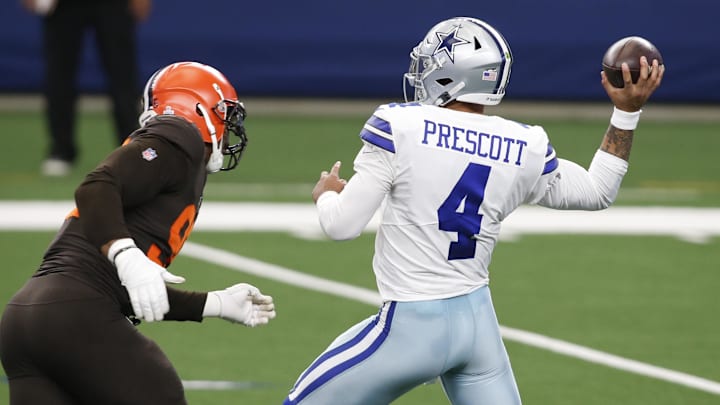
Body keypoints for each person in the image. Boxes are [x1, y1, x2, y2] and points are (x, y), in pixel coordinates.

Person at [283, 16, 663, 405]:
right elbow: (598, 190)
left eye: (430, 64)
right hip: (478, 328)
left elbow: (341, 225)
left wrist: (326, 195)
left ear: (452, 74)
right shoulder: (524, 144)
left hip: (411, 328)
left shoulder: (400, 125)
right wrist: (626, 112)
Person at [0, 61, 277, 405]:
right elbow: (96, 186)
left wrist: (214, 303)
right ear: (200, 108)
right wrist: (125, 253)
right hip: (76, 315)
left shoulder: (170, 161)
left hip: (26, 319)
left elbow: (121, 287)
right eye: (225, 114)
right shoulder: (178, 135)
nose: (229, 127)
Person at [20, 0, 151, 176]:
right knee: (59, 75)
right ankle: (61, 150)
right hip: (63, 7)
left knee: (123, 75)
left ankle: (131, 148)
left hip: (112, 5)